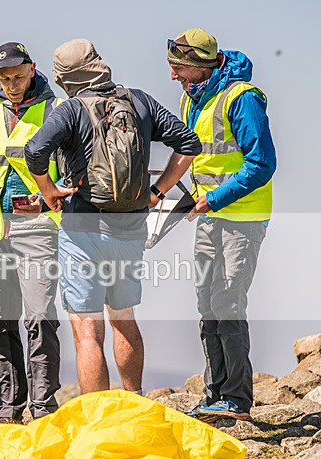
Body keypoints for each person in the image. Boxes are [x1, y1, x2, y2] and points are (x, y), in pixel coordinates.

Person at [25, 39, 200, 396]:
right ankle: (133, 403)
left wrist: (48, 192)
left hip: (82, 229)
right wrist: (158, 191)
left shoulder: (71, 109)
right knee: (123, 318)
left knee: (87, 330)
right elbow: (189, 144)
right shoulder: (139, 100)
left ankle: (99, 418)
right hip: (131, 226)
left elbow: (35, 150)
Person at [167, 28, 276, 422]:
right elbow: (197, 159)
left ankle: (236, 399)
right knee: (206, 303)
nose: (174, 76)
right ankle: (215, 394)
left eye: (179, 68)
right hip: (208, 216)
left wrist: (214, 199)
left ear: (199, 65)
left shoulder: (242, 98)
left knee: (228, 302)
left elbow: (261, 163)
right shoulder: (190, 99)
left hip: (241, 218)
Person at [0, 42, 62, 423]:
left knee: (39, 316)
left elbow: (73, 165)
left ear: (33, 68)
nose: (12, 84)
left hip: (38, 228)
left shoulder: (55, 110)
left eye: (19, 76)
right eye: (5, 78)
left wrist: (48, 196)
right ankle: (9, 407)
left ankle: (42, 408)